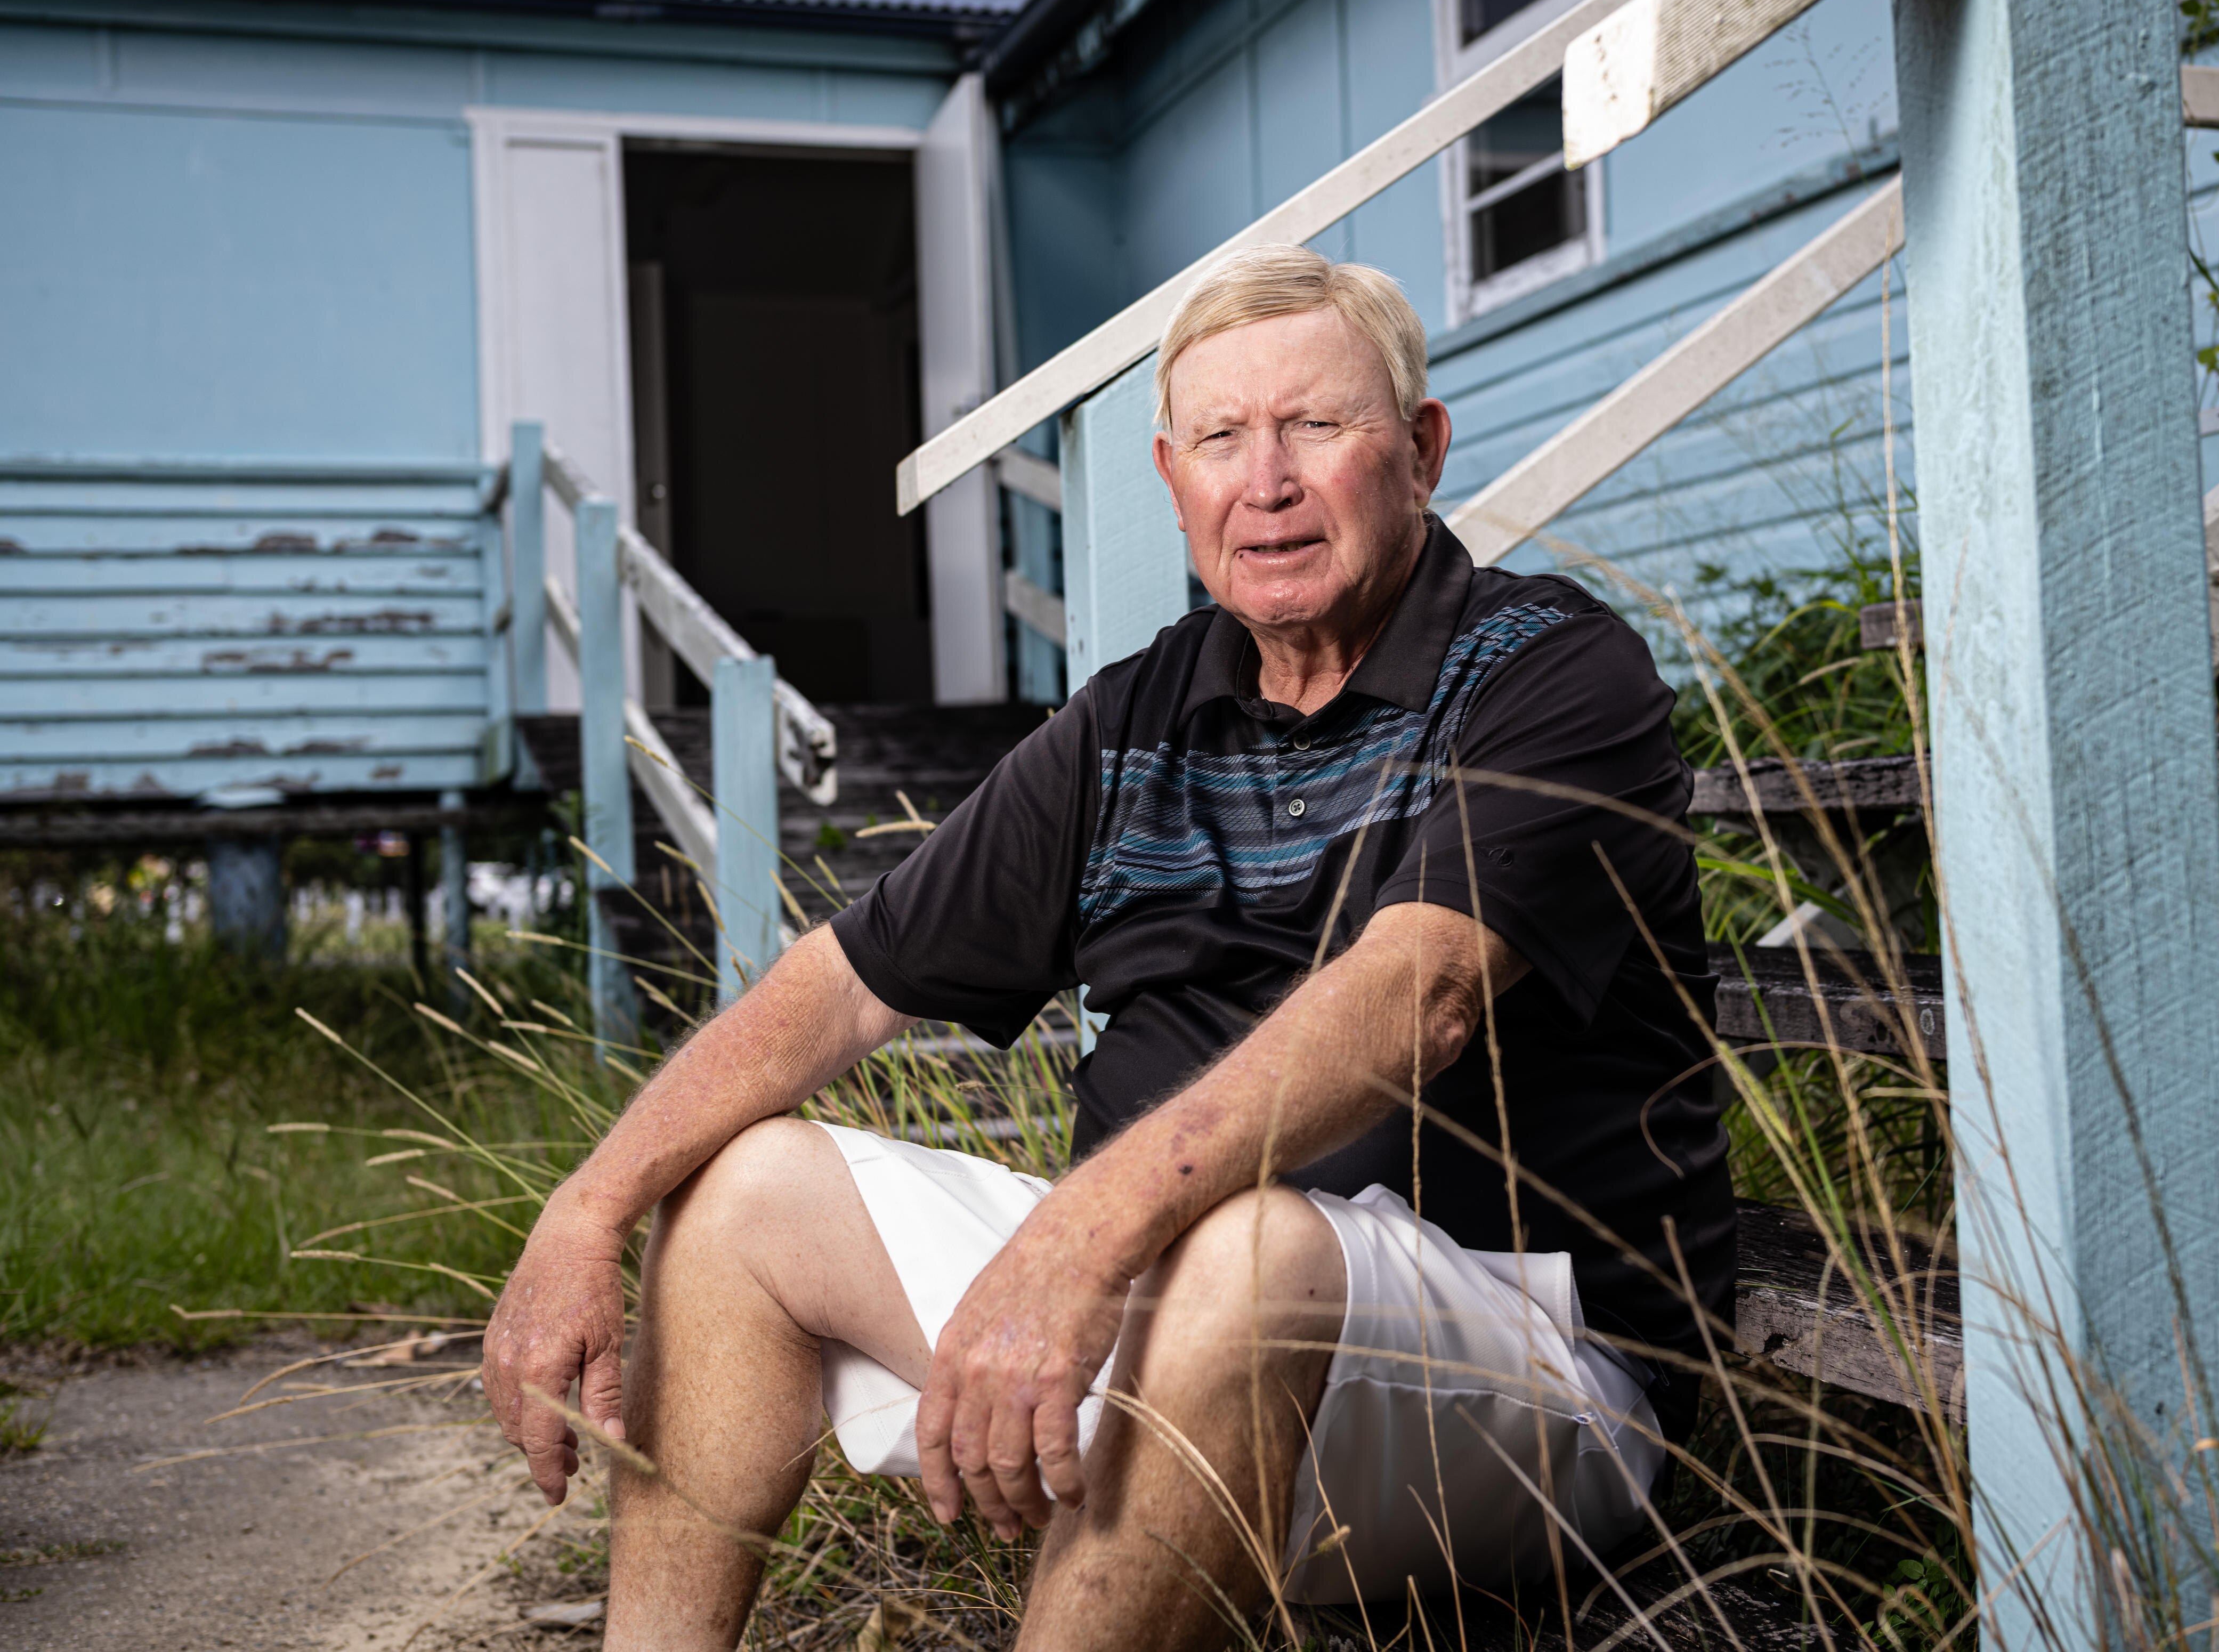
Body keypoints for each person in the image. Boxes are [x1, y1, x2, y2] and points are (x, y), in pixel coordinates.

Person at [481, 244, 1735, 1650]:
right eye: (1220, 438)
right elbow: (843, 982)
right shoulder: (1136, 720)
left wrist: (1079, 1238)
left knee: (1247, 1255)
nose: (1266, 481)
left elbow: (1419, 998)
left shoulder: (1545, 670)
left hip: (1525, 1368)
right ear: (1173, 478)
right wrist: (584, 1211)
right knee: (743, 1199)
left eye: (1316, 426)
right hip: (1177, 1315)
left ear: (1421, 451)